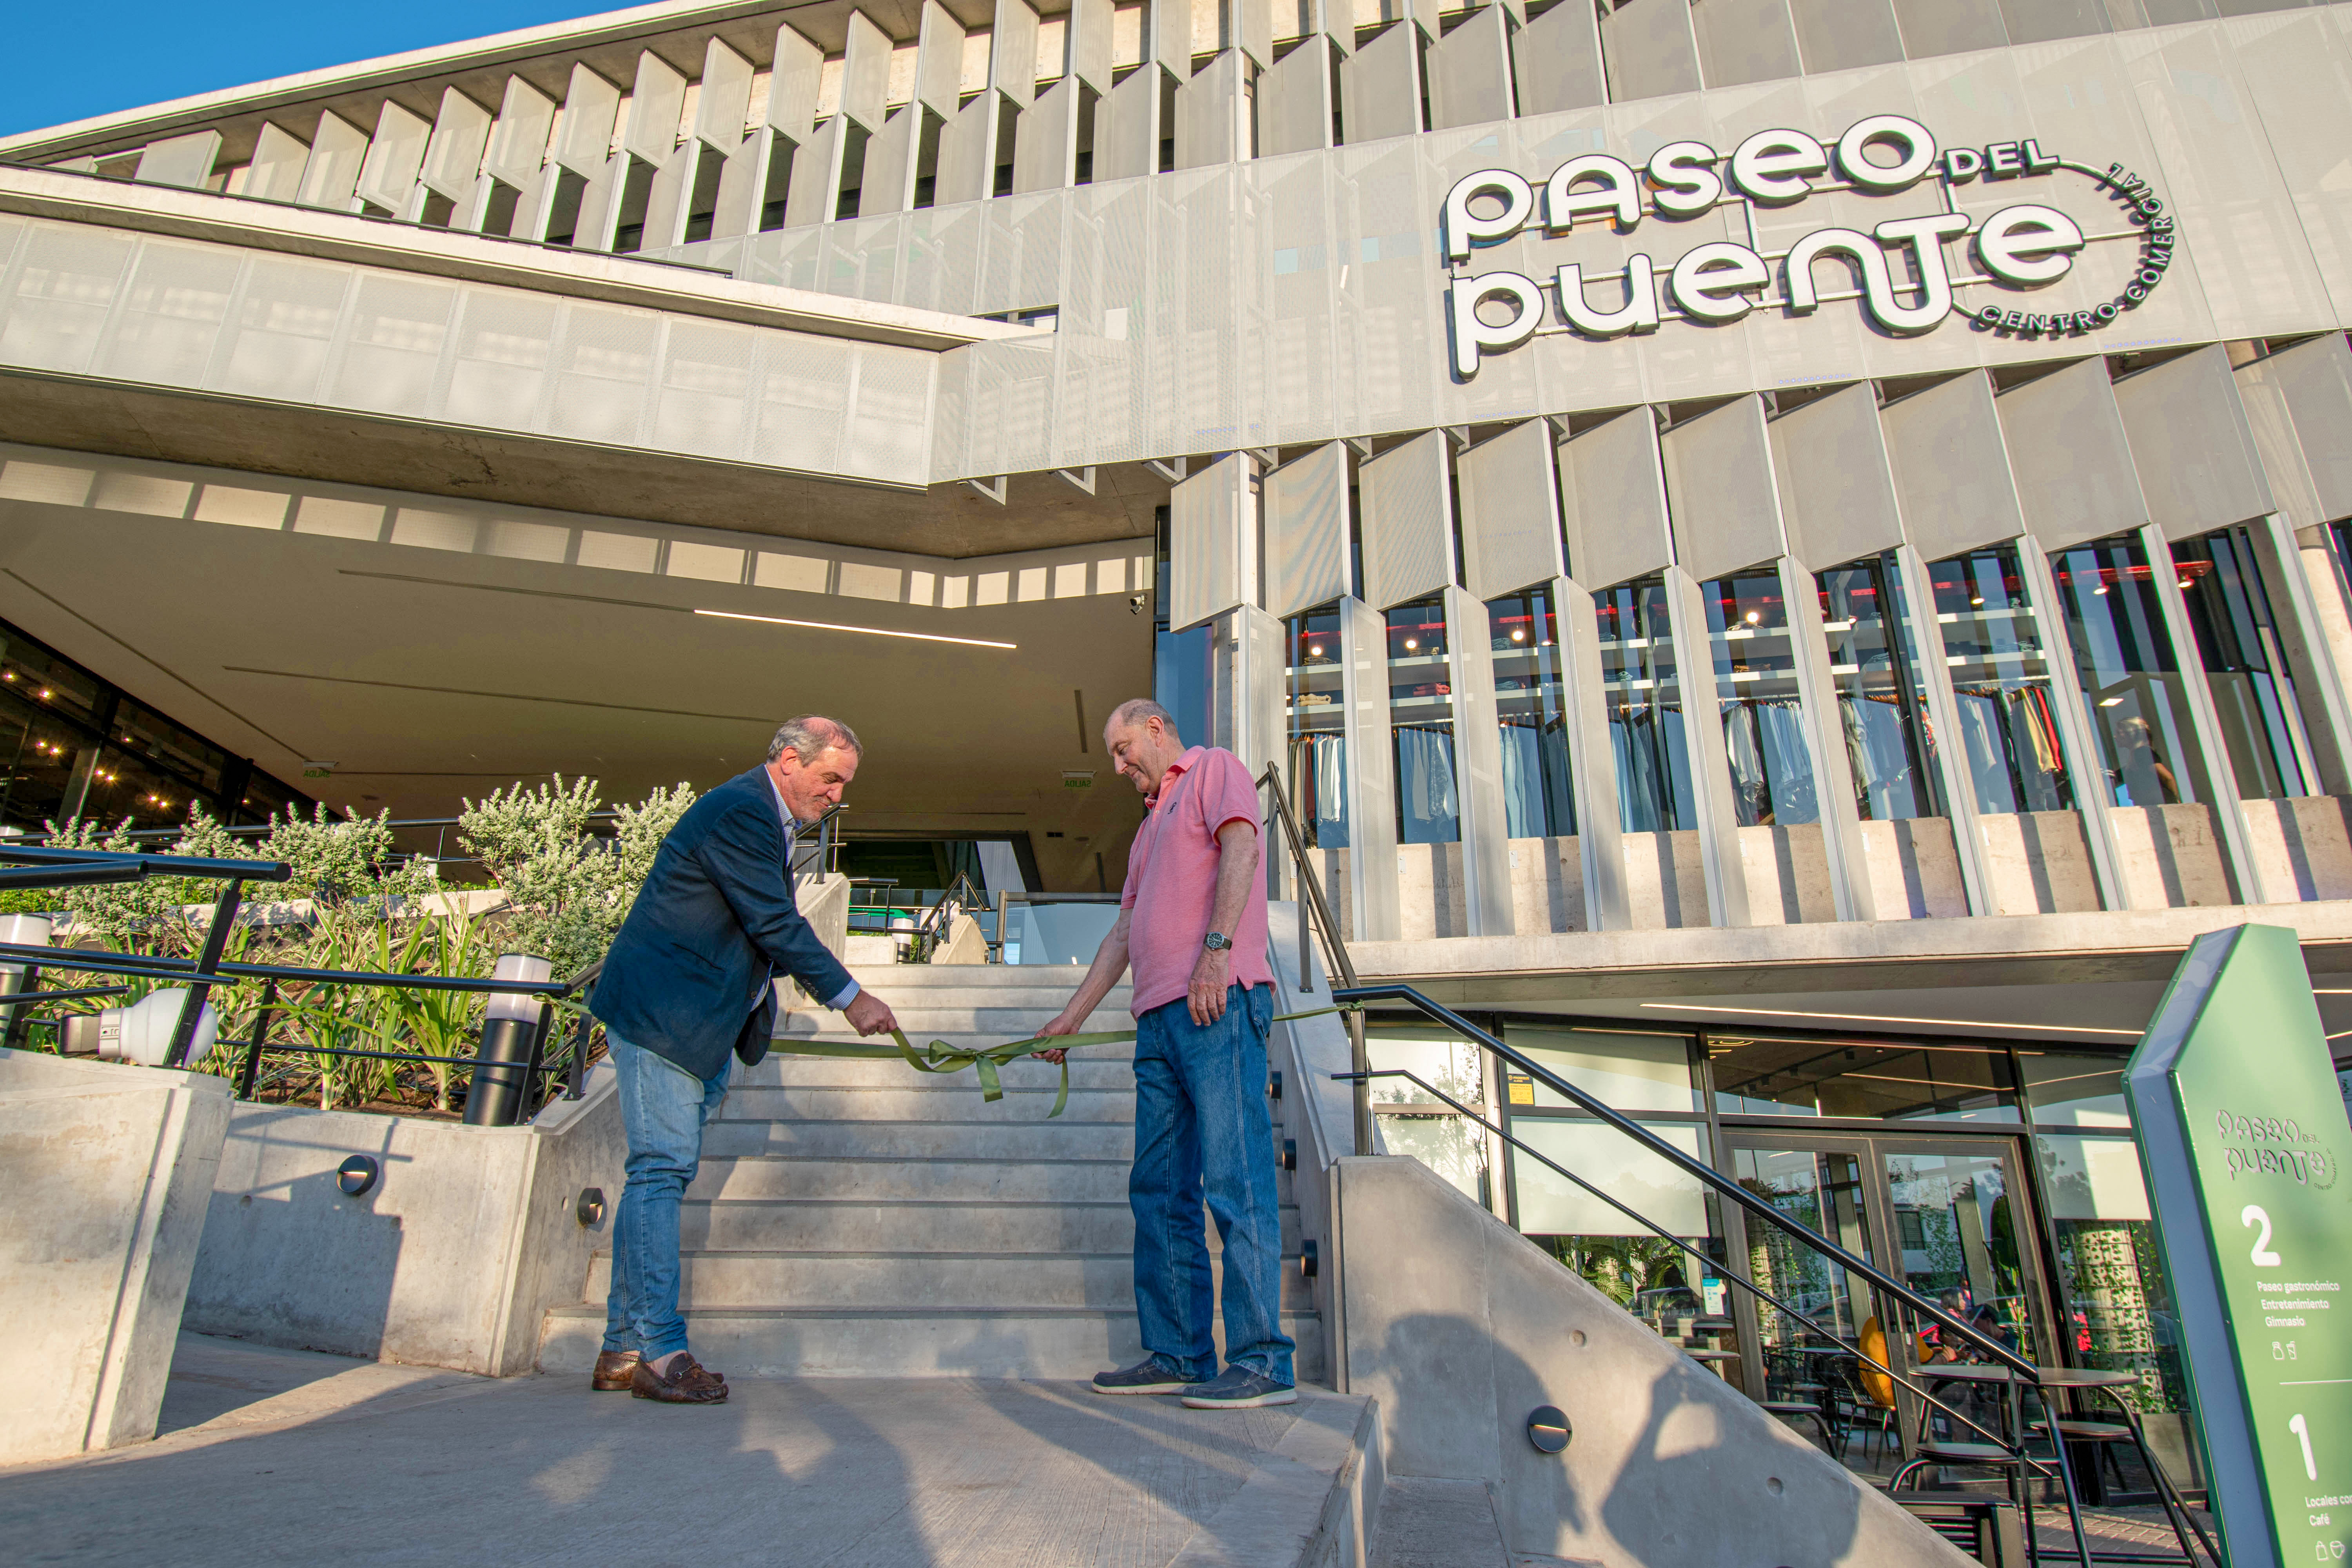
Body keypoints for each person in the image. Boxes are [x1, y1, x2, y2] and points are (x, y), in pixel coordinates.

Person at [587, 715, 898, 1404]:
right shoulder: (740, 811)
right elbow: (774, 922)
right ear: (789, 760)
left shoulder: (764, 817)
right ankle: (661, 1352)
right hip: (664, 1015)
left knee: (656, 1178)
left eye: (844, 784)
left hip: (695, 1025)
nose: (838, 797)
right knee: (660, 1173)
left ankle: (620, 1346)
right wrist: (851, 997)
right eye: (830, 779)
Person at [1038, 698, 1296, 1410]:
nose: (1119, 767)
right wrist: (1070, 1019)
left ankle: (1262, 1361)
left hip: (1215, 1002)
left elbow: (1242, 849)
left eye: (1123, 750)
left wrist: (1214, 955)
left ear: (1156, 729)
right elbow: (1123, 932)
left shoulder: (1215, 768)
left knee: (1235, 1179)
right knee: (1158, 1191)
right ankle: (1181, 1350)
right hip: (1155, 1021)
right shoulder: (1149, 828)